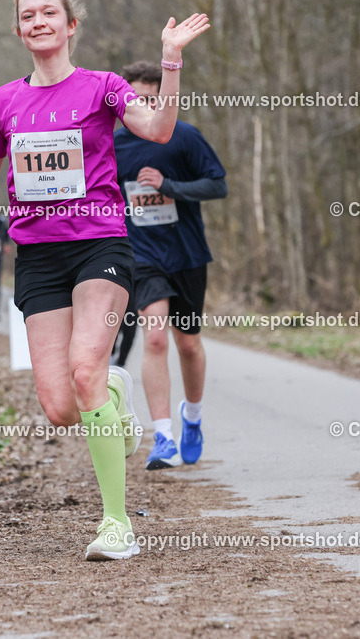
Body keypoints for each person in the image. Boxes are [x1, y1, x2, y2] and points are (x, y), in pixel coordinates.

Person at [0, 0, 209, 561]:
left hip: (100, 244)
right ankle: (112, 390)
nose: (38, 22)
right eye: (27, 16)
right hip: (37, 253)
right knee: (60, 406)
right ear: (19, 30)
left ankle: (116, 525)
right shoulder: (2, 102)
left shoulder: (103, 86)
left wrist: (170, 62)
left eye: (48, 12)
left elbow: (159, 127)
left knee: (86, 368)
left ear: (70, 24)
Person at [114, 60, 227, 471]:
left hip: (187, 255)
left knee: (188, 344)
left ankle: (191, 419)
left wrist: (169, 186)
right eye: (134, 99)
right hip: (141, 255)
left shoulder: (185, 137)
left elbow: (218, 184)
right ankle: (162, 437)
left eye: (150, 98)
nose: (142, 106)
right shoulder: (114, 145)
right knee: (156, 339)